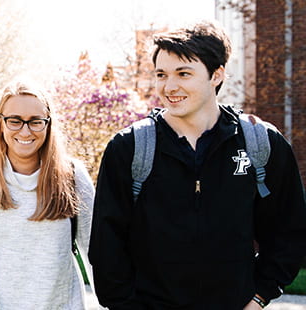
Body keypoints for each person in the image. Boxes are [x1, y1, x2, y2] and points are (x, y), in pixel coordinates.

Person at [89, 21, 306, 309]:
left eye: (183, 73)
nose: (169, 86)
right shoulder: (128, 148)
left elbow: (289, 231)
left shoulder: (260, 143)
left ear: (216, 75)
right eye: (161, 74)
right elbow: (106, 247)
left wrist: (259, 297)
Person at [0, 82, 95, 310]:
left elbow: (97, 253)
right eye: (15, 121)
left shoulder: (73, 177)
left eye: (36, 121)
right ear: (0, 124)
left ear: (48, 124)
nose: (25, 131)